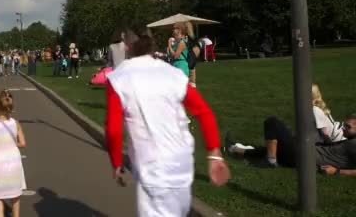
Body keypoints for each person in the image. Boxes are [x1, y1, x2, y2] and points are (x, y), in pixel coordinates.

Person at [105, 34, 230, 216]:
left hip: (152, 168)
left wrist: (117, 163)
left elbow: (113, 129)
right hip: (183, 164)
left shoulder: (118, 78)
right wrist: (214, 154)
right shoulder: (172, 73)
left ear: (127, 47)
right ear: (152, 45)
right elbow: (204, 112)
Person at [227, 113, 356, 175]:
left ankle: (270, 161)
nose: (343, 128)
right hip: (303, 154)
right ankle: (234, 150)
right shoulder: (350, 141)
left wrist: (337, 171)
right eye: (344, 124)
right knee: (273, 146)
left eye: (348, 127)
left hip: (303, 158)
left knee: (272, 122)